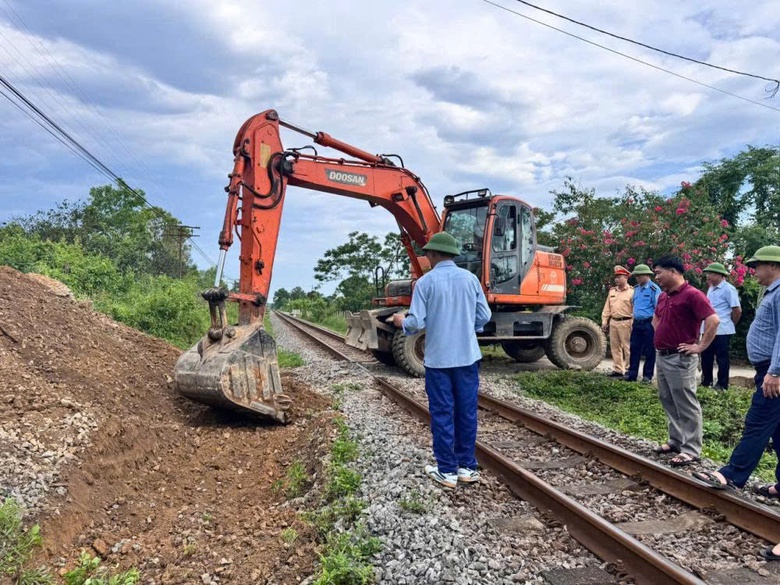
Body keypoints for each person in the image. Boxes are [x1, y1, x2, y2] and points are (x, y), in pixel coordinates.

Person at [392, 231, 491, 489]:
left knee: (442, 412)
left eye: (427, 253)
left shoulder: (426, 283)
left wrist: (401, 321)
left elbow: (416, 323)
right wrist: (468, 328)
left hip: (438, 360)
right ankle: (467, 467)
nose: (426, 257)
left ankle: (446, 470)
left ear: (434, 254)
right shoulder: (470, 280)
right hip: (467, 358)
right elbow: (484, 316)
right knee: (466, 411)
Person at [692, 246, 780, 496]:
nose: (753, 271)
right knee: (777, 429)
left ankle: (732, 475)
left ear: (773, 266)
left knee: (758, 422)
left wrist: (775, 371)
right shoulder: (772, 291)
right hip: (769, 369)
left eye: (757, 266)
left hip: (773, 372)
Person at [651, 256, 719, 467]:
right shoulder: (663, 296)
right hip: (662, 356)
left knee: (686, 403)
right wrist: (663, 337)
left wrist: (699, 347)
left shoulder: (693, 295)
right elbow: (656, 319)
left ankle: (691, 449)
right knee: (668, 399)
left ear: (673, 271)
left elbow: (713, 320)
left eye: (658, 272)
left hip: (680, 359)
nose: (657, 277)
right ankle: (676, 441)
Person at [700, 262, 742, 390]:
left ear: (719, 275)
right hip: (708, 328)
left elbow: (737, 310)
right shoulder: (711, 287)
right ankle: (706, 382)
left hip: (722, 329)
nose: (708, 276)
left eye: (711, 274)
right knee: (706, 356)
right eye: (707, 273)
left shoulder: (728, 289)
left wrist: (730, 324)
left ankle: (722, 384)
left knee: (721, 358)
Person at [625, 263, 661, 383]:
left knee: (650, 350)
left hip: (648, 323)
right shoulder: (636, 289)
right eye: (636, 276)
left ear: (646, 275)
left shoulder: (654, 289)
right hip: (637, 323)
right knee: (634, 349)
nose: (637, 278)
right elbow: (633, 304)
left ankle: (647, 376)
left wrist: (655, 325)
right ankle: (632, 374)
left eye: (639, 276)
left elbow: (658, 309)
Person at [601, 266, 634, 377]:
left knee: (627, 347)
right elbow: (607, 308)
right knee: (615, 347)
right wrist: (604, 322)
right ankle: (618, 370)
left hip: (626, 322)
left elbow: (635, 309)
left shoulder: (632, 292)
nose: (616, 279)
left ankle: (629, 370)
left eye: (619, 277)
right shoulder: (612, 291)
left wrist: (633, 323)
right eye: (616, 277)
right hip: (614, 322)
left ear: (626, 278)